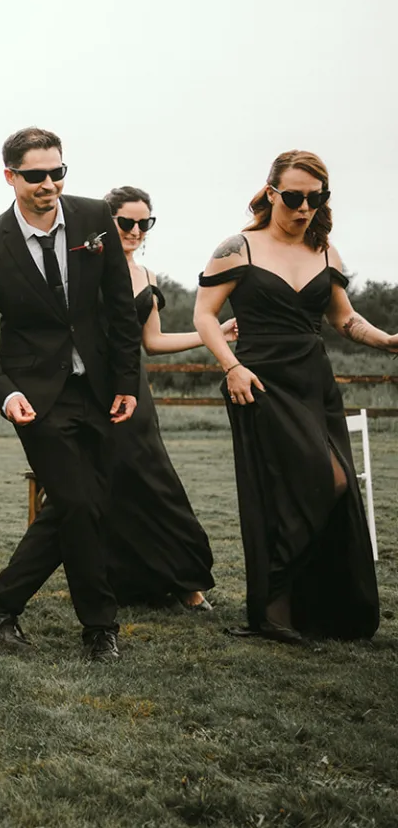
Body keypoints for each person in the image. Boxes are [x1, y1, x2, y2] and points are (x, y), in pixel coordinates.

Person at [194, 151, 392, 643]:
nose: (304, 207)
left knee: (326, 484)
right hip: (259, 379)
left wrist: (387, 341)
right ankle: (273, 610)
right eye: (295, 196)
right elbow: (203, 316)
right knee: (320, 482)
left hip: (314, 381)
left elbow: (343, 318)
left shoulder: (326, 251)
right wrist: (232, 366)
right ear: (271, 192)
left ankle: (305, 608)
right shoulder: (237, 247)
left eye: (315, 197)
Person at [0, 128, 140, 662]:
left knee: (78, 506)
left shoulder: (93, 220)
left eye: (57, 172)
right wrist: (4, 393)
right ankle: (99, 627)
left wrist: (128, 381)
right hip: (35, 396)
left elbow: (120, 308)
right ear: (10, 176)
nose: (49, 184)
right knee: (79, 503)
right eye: (36, 175)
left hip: (102, 388)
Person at [103, 185, 225, 612]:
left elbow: (152, 342)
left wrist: (213, 336)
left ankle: (188, 581)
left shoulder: (148, 277)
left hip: (136, 392)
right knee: (112, 486)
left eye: (144, 223)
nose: (136, 230)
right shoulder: (87, 268)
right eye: (127, 222)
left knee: (158, 483)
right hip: (93, 390)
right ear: (108, 220)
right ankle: (126, 583)